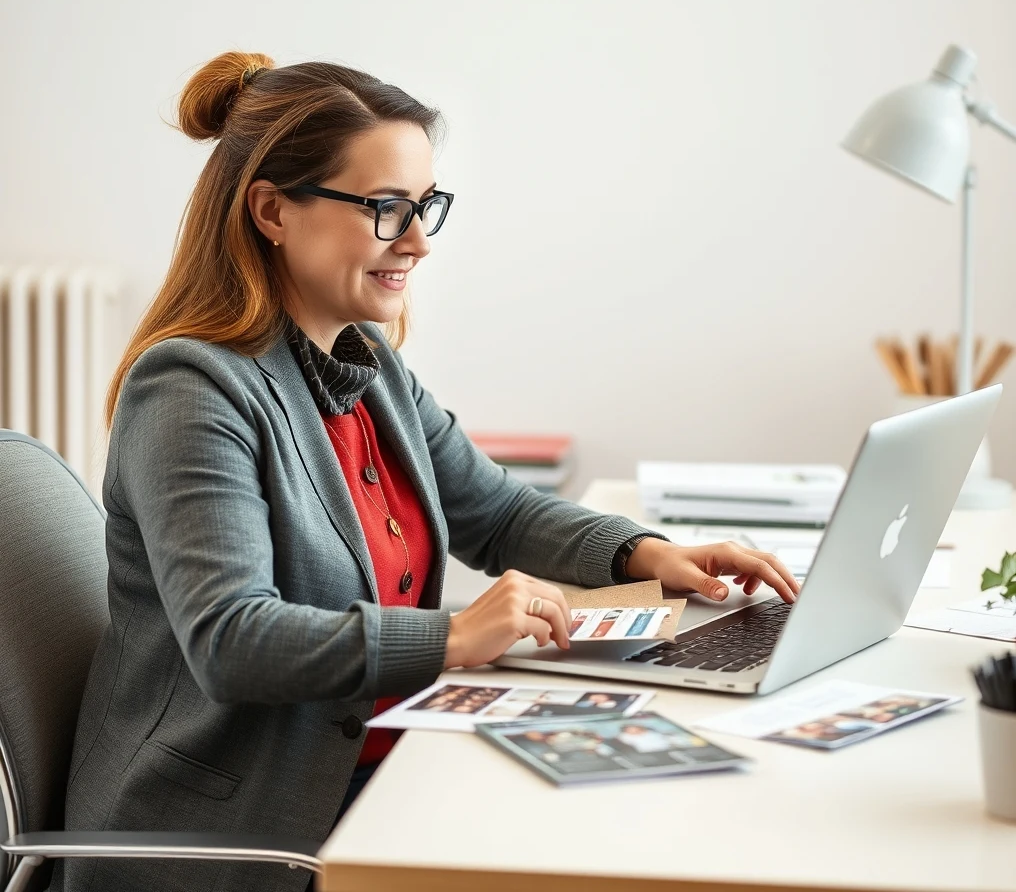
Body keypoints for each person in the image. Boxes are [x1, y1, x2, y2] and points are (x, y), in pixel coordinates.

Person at [54, 51, 801, 892]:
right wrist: (452, 637)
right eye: (386, 209)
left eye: (425, 207)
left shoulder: (365, 363)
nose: (417, 242)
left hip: (373, 771)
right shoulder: (192, 390)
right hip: (238, 833)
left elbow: (497, 512)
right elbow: (233, 639)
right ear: (271, 210)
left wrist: (647, 553)